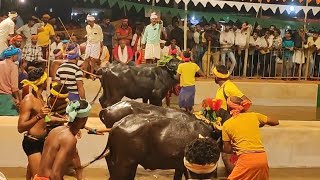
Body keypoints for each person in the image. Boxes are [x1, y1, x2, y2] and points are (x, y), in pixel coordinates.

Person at [222, 96, 279, 179]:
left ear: (229, 108)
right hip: (262, 158)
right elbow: (275, 122)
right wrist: (260, 123)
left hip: (246, 159)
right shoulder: (255, 116)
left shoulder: (227, 124)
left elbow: (227, 149)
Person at [36, 100, 91, 180]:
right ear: (84, 119)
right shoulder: (69, 139)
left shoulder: (55, 130)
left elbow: (75, 158)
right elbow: (55, 175)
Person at [18, 68, 49, 179]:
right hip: (32, 142)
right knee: (40, 177)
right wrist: (39, 116)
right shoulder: (29, 100)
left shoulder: (41, 98)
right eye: (46, 79)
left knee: (31, 174)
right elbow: (20, 127)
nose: (47, 82)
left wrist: (63, 120)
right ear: (41, 82)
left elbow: (44, 120)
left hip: (42, 141)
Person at [0, 47, 22, 116]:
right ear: (13, 56)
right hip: (7, 98)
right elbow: (14, 86)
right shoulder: (13, 66)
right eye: (16, 55)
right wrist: (18, 99)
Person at [84, 15, 103, 79]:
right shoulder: (87, 27)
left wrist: (101, 46)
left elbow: (101, 36)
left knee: (93, 59)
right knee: (86, 59)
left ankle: (91, 74)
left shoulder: (98, 27)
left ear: (93, 21)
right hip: (89, 43)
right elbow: (89, 34)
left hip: (96, 43)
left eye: (90, 21)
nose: (88, 23)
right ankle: (84, 73)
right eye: (88, 21)